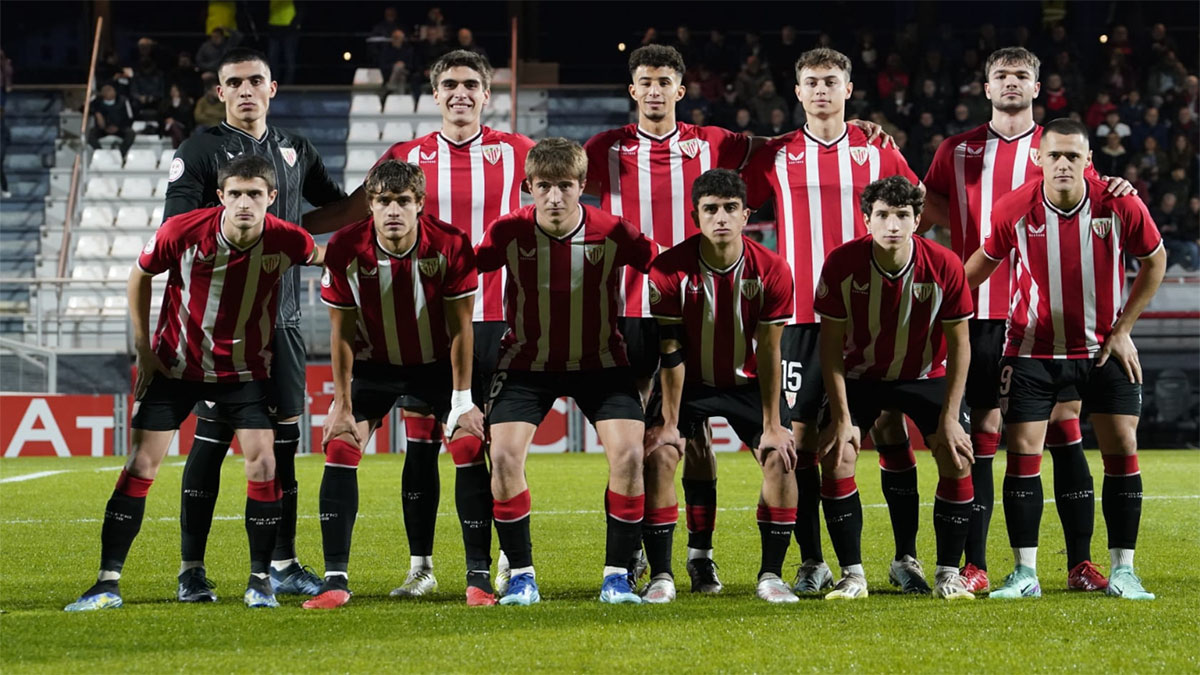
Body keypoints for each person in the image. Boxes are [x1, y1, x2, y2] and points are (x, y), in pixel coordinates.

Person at [583, 44, 887, 594]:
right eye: (644, 81)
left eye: (665, 81)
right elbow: (553, 184)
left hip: (713, 309)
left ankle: (701, 559)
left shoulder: (715, 142)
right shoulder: (603, 147)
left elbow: (790, 144)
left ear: (681, 89)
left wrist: (849, 122)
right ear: (633, 90)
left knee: (703, 447)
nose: (654, 90)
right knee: (639, 446)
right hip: (632, 313)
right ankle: (630, 563)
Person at [303, 50, 534, 600]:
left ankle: (505, 560)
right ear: (434, 95)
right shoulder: (406, 156)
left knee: (496, 447)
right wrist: (282, 223)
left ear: (486, 94)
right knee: (423, 443)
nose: (460, 93)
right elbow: (356, 212)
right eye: (450, 84)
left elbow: (563, 194)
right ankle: (422, 566)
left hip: (498, 318)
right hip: (421, 326)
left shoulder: (516, 150)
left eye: (471, 84)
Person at [64, 155, 322, 611]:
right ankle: (106, 582)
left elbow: (329, 257)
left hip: (243, 373)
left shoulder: (287, 239)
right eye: (236, 194)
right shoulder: (182, 231)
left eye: (255, 194)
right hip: (177, 369)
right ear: (221, 197)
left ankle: (259, 581)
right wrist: (144, 351)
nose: (245, 203)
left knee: (264, 466)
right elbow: (139, 276)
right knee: (142, 465)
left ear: (272, 198)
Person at [922, 47, 1134, 593]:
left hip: (1037, 321)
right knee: (984, 437)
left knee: (1062, 431)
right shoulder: (957, 150)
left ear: (1037, 87)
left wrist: (1124, 186)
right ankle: (977, 565)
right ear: (986, 86)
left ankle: (1080, 563)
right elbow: (928, 209)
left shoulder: (1057, 148)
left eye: (1021, 76)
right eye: (1001, 75)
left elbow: (1096, 195)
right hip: (975, 313)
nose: (1011, 83)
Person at [163, 48, 347, 604]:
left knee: (284, 448)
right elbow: (176, 225)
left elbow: (332, 211)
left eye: (256, 81)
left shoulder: (295, 149)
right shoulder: (199, 150)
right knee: (212, 444)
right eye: (234, 82)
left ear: (272, 89)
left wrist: (378, 194)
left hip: (284, 323)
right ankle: (191, 569)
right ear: (220, 92)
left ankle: (284, 562)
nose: (246, 90)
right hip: (222, 327)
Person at [740, 47, 924, 595]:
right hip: (798, 316)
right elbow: (727, 203)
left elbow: (916, 207)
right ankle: (813, 561)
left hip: (872, 315)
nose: (821, 90)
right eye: (811, 82)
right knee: (798, 441)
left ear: (849, 89)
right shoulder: (773, 155)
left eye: (831, 81)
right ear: (796, 92)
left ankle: (906, 557)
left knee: (887, 429)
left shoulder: (878, 151)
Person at [964, 118, 1166, 601]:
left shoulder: (1118, 203)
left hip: (1102, 350)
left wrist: (1123, 330)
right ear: (1039, 159)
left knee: (1121, 445)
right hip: (1031, 353)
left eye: (1072, 156)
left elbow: (1154, 261)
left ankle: (1124, 571)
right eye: (1053, 155)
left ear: (1088, 161)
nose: (1062, 164)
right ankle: (1024, 573)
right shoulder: (1014, 207)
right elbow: (978, 268)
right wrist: (933, 304)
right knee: (1024, 454)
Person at [475, 138, 655, 605]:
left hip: (602, 364)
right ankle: (521, 575)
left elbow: (665, 267)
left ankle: (618, 576)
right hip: (525, 365)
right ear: (528, 187)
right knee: (504, 458)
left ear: (583, 187)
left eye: (565, 186)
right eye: (544, 187)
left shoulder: (614, 230)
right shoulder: (506, 232)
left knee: (632, 458)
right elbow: (462, 271)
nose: (554, 197)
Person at [304, 160, 487, 609]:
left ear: (419, 204)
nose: (392, 211)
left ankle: (478, 578)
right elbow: (341, 332)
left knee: (466, 444)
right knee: (341, 444)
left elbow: (463, 329)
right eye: (383, 201)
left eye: (402, 202)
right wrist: (341, 404)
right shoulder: (346, 246)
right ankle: (335, 581)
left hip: (439, 366)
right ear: (369, 205)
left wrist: (462, 401)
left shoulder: (450, 244)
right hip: (375, 365)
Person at [814, 175, 975, 601]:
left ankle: (946, 574)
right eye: (882, 215)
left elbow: (960, 347)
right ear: (866, 219)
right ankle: (853, 576)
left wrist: (951, 417)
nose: (892, 225)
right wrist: (843, 417)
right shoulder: (842, 263)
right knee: (837, 455)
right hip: (859, 376)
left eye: (902, 215)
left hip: (925, 376)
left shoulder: (944, 265)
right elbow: (829, 348)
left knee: (957, 457)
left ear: (918, 220)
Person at [642, 169, 797, 604]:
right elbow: (670, 350)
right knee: (659, 454)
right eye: (711, 209)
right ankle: (665, 573)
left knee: (781, 457)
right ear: (696, 216)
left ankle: (771, 575)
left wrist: (772, 424)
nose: (721, 217)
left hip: (748, 383)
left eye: (730, 208)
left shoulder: (772, 270)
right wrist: (670, 423)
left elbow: (769, 350)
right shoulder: (668, 268)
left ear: (746, 214)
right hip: (687, 383)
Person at [87, 83, 136, 157]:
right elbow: (85, 109)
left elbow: (130, 117)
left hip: (120, 128)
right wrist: (97, 113)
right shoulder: (97, 102)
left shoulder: (123, 101)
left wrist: (118, 127)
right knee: (90, 134)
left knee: (130, 133)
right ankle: (101, 153)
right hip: (103, 129)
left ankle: (121, 154)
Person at [158, 84, 194, 149]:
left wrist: (174, 120)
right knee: (173, 127)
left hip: (182, 127)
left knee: (174, 135)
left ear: (180, 92)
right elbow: (161, 116)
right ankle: (184, 147)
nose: (173, 93)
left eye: (175, 91)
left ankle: (177, 153)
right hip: (167, 127)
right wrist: (167, 120)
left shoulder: (185, 103)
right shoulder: (166, 103)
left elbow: (186, 118)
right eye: (172, 91)